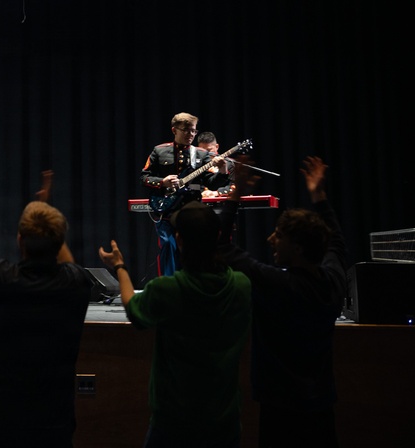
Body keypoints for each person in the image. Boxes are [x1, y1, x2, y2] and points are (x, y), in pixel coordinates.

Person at [0, 168, 92, 448]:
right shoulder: (77, 283)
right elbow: (70, 266)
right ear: (60, 241)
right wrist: (47, 211)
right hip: (54, 420)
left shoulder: (3, 279)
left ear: (19, 240)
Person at [98, 201, 252, 447]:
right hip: (224, 422)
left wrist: (119, 267)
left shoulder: (167, 290)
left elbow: (134, 310)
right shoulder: (242, 285)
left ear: (178, 240)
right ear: (219, 236)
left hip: (173, 425)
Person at [218, 156, 345, 447]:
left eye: (280, 235)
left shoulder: (277, 284)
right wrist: (319, 196)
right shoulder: (333, 281)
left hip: (279, 405)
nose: (270, 239)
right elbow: (336, 240)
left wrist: (235, 193)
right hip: (321, 401)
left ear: (298, 247)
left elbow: (221, 246)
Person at [140, 112, 229, 276]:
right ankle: (168, 284)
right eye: (186, 130)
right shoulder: (159, 151)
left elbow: (212, 182)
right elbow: (144, 177)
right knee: (167, 245)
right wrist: (162, 182)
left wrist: (223, 170)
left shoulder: (201, 154)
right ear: (174, 130)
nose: (191, 135)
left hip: (190, 209)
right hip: (166, 209)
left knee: (192, 249)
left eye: (193, 131)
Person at [195, 131, 234, 197]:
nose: (206, 154)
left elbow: (234, 186)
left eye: (209, 150)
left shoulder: (229, 164)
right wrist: (202, 191)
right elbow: (194, 184)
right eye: (202, 151)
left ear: (217, 146)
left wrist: (217, 193)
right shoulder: (197, 164)